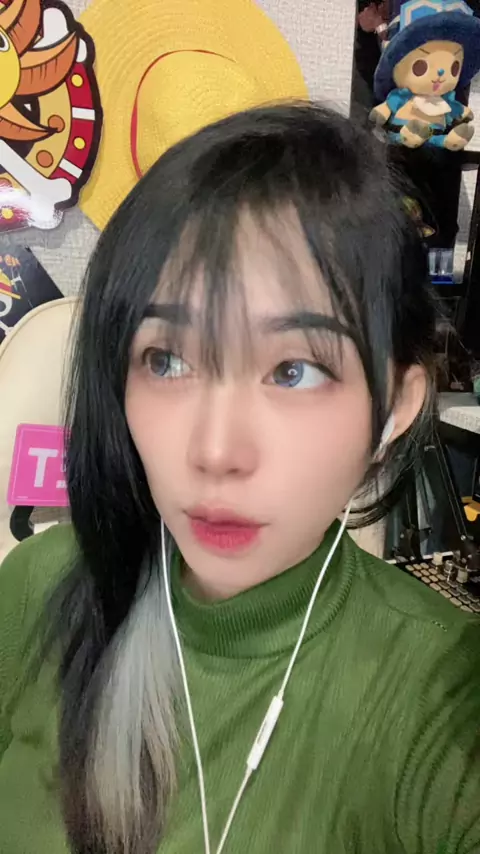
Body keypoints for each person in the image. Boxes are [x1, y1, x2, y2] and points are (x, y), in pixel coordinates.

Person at [0, 102, 479, 854]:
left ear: (393, 408)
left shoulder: (439, 694)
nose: (217, 451)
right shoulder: (38, 586)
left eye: (294, 370)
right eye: (167, 361)